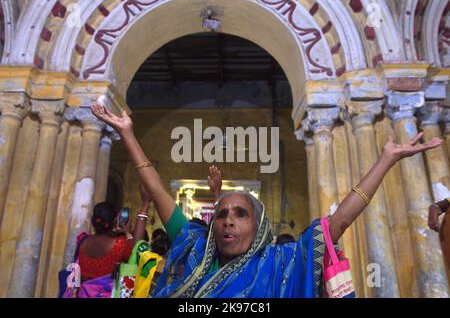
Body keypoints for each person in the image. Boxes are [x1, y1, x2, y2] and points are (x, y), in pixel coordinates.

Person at [91, 101, 442, 298]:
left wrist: (386, 160)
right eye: (222, 212)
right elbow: (156, 188)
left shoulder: (280, 263)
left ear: (258, 227)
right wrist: (127, 133)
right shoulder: (194, 245)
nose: (228, 219)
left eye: (240, 214)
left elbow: (339, 222)